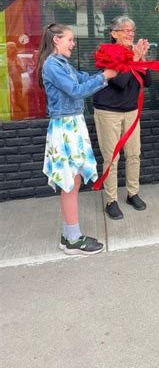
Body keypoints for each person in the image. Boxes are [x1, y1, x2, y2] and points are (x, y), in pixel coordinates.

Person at [37, 23, 117, 255]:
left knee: (74, 180)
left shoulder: (62, 64)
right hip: (65, 127)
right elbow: (76, 90)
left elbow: (84, 78)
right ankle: (72, 239)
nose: (73, 44)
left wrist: (111, 69)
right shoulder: (53, 65)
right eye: (70, 39)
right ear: (56, 40)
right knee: (70, 182)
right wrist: (104, 76)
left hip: (71, 125)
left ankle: (69, 235)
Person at [93, 16, 151, 220]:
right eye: (125, 30)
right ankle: (111, 200)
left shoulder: (133, 53)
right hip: (108, 111)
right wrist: (134, 58)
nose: (130, 33)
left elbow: (148, 81)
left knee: (134, 154)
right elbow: (119, 82)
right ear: (113, 33)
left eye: (132, 30)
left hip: (131, 110)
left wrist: (142, 58)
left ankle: (132, 193)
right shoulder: (107, 52)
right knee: (112, 158)